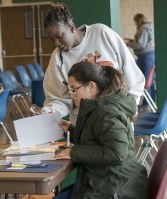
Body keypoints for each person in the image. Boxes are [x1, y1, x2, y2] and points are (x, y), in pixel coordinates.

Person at [56, 61, 148, 199]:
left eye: (74, 89)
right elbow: (95, 140)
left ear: (91, 86)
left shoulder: (106, 112)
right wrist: (70, 130)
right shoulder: (97, 108)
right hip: (106, 180)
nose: (72, 94)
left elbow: (117, 153)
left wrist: (74, 152)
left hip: (116, 187)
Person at [41, 2, 145, 118]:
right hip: (85, 125)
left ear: (71, 27)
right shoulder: (57, 58)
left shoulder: (101, 33)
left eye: (60, 36)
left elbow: (130, 72)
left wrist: (132, 105)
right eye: (52, 40)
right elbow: (58, 99)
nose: (56, 43)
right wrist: (47, 112)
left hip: (117, 116)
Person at [124, 13, 155, 104]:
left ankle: (146, 104)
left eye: (135, 22)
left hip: (145, 57)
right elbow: (142, 41)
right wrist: (131, 40)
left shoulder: (143, 28)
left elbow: (140, 44)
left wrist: (127, 44)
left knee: (145, 80)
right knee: (150, 79)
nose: (135, 24)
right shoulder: (147, 27)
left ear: (138, 20)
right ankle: (150, 101)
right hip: (148, 56)